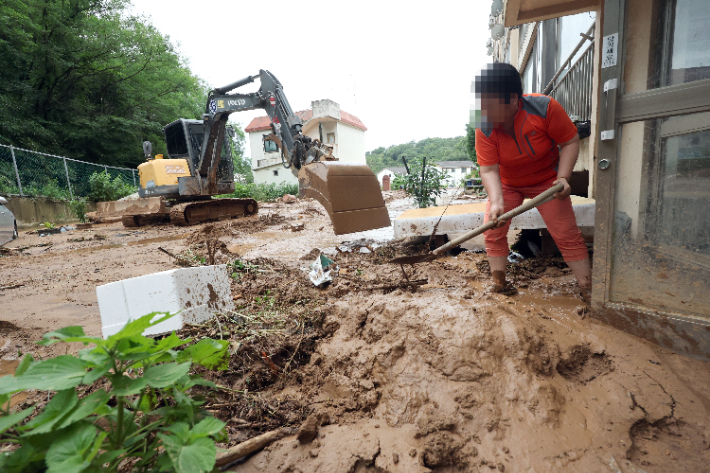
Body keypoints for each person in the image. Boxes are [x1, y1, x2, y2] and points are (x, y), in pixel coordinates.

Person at [473, 63, 591, 302]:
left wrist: (563, 178)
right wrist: (496, 202)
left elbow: (569, 141)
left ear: (513, 100)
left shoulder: (545, 108)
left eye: (491, 107)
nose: (485, 113)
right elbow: (488, 168)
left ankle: (588, 290)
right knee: (493, 229)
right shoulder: (483, 125)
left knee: (566, 233)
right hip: (507, 183)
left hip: (547, 180)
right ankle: (500, 284)